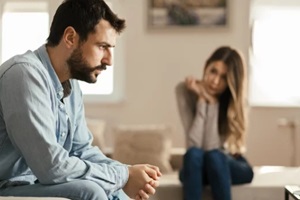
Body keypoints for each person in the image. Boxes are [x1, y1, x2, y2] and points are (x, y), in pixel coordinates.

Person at [0, 0, 161, 200]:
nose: (109, 60)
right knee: (89, 191)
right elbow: (51, 166)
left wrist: (128, 172)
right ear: (70, 38)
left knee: (113, 188)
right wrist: (123, 175)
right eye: (102, 47)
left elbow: (81, 150)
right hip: (9, 184)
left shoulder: (71, 86)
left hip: (38, 184)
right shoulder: (23, 75)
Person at [175, 46, 254, 200]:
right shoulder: (184, 91)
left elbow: (212, 148)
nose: (215, 81)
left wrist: (212, 103)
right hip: (197, 163)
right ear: (206, 66)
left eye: (224, 77)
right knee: (193, 155)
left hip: (229, 162)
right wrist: (203, 101)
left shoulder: (236, 102)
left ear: (231, 81)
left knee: (214, 157)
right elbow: (195, 144)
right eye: (213, 71)